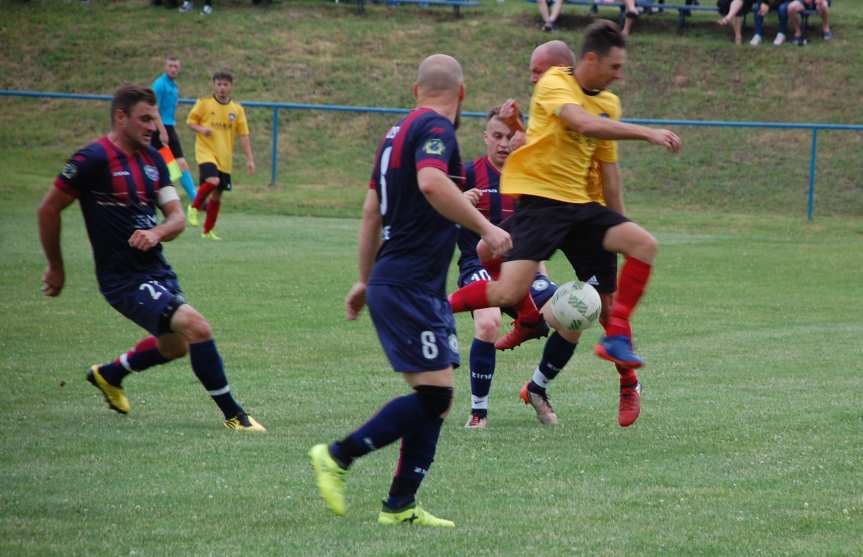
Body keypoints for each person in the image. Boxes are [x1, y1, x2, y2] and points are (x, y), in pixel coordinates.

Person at [308, 54, 511, 527]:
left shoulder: (393, 137)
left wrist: (364, 277)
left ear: (415, 90)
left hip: (404, 282)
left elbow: (370, 212)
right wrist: (487, 229)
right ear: (460, 94)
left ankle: (400, 505)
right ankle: (337, 456)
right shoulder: (437, 129)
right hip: (408, 284)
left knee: (438, 397)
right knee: (435, 397)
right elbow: (432, 182)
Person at [448, 23, 682, 429]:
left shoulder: (597, 100)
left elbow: (606, 167)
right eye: (532, 74)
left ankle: (627, 380)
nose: (533, 80)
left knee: (605, 310)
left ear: (568, 65)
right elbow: (549, 138)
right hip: (548, 208)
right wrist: (519, 128)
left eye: (539, 71)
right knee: (489, 252)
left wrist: (619, 221)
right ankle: (516, 319)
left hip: (585, 210)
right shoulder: (554, 91)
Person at [37, 85, 265, 432]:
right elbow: (49, 209)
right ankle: (235, 416)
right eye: (144, 120)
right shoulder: (92, 160)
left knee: (174, 347)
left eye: (154, 120)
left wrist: (157, 233)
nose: (152, 127)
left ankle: (108, 375)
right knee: (198, 327)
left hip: (156, 269)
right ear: (120, 117)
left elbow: (176, 217)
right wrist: (56, 266)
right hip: (122, 277)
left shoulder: (154, 160)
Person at [457, 106, 558, 429]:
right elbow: (433, 216)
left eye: (509, 137)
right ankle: (479, 412)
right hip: (478, 266)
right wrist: (460, 203)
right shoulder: (467, 174)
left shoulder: (529, 178)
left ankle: (537, 388)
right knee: (488, 322)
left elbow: (535, 232)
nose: (503, 143)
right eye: (496, 136)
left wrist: (542, 275)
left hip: (522, 269)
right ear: (485, 137)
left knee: (570, 314)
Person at [186, 71, 255, 239]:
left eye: (225, 85)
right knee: (213, 181)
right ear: (214, 85)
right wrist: (202, 129)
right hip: (205, 151)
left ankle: (208, 231)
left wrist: (250, 159)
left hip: (224, 156)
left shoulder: (237, 110)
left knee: (217, 194)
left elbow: (244, 135)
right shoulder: (204, 104)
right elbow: (190, 122)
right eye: (219, 84)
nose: (222, 88)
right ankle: (194, 207)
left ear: (231, 87)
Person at [151, 56, 199, 214]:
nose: (173, 69)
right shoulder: (159, 84)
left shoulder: (174, 86)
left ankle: (196, 200)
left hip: (169, 127)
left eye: (176, 66)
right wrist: (162, 131)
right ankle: (155, 199)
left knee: (179, 165)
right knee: (164, 167)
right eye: (171, 66)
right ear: (165, 67)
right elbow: (153, 109)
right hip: (159, 129)